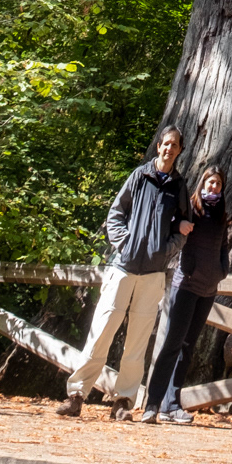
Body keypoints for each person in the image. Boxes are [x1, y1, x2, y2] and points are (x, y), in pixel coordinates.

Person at [56, 123, 193, 419]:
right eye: (166, 144)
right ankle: (77, 395)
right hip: (123, 267)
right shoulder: (139, 176)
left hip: (153, 273)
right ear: (159, 146)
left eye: (175, 146)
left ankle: (123, 401)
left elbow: (184, 225)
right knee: (102, 330)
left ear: (180, 151)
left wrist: (167, 248)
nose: (169, 149)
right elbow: (116, 213)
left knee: (138, 339)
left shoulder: (178, 187)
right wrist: (125, 243)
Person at [134, 163, 231, 425]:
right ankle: (152, 404)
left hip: (208, 290)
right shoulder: (191, 207)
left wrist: (223, 269)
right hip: (185, 286)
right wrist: (182, 233)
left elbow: (223, 245)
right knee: (171, 346)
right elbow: (174, 224)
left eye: (218, 184)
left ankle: (171, 405)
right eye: (210, 182)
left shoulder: (221, 213)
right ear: (203, 184)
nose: (214, 187)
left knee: (187, 348)